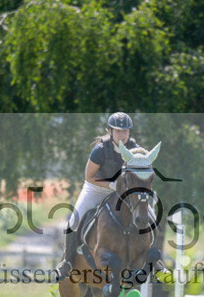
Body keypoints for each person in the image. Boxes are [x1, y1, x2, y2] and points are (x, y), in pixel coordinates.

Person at [54, 111, 140, 280]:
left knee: (148, 212)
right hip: (97, 188)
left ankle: (154, 259)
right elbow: (89, 176)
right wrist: (111, 185)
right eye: (118, 131)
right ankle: (67, 262)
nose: (122, 135)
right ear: (110, 131)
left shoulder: (134, 148)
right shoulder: (100, 150)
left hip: (122, 192)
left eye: (125, 131)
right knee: (74, 220)